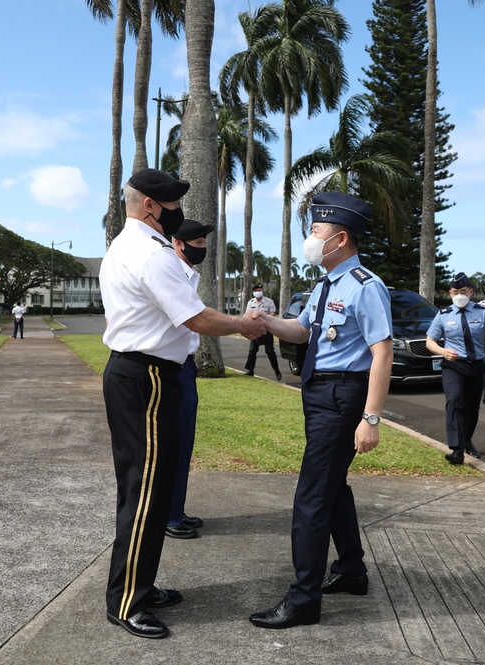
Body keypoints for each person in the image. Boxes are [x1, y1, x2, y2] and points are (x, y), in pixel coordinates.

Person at [99, 168, 266, 640]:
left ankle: (140, 585)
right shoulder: (153, 256)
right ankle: (126, 601)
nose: (179, 213)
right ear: (150, 206)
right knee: (146, 492)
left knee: (146, 489)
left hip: (139, 375)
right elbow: (195, 318)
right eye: (172, 205)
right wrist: (243, 323)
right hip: (148, 378)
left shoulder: (125, 245)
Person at [248, 192, 393, 629]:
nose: (310, 240)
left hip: (343, 398)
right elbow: (302, 331)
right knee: (333, 487)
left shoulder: (366, 286)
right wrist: (264, 322)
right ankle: (351, 569)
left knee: (311, 497)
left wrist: (371, 419)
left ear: (340, 238)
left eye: (316, 232)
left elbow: (382, 354)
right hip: (318, 395)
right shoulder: (325, 285)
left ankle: (304, 598)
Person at [164, 218, 213, 541]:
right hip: (174, 367)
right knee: (175, 443)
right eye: (196, 244)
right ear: (178, 244)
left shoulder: (187, 274)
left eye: (204, 243)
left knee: (185, 444)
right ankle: (168, 516)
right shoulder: (171, 274)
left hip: (187, 367)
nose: (202, 249)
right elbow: (196, 319)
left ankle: (176, 509)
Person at [426, 273, 485, 464]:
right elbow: (430, 341)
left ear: (471, 292)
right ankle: (456, 449)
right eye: (455, 292)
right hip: (453, 366)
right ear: (450, 293)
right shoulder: (443, 315)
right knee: (454, 400)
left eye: (463, 291)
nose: (459, 295)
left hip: (476, 365)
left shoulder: (483, 312)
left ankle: (466, 440)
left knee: (472, 409)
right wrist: (442, 351)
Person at [244, 283, 283, 381]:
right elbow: (248, 314)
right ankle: (250, 371)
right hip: (254, 330)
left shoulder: (269, 302)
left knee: (270, 351)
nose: (258, 292)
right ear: (253, 292)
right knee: (252, 351)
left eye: (260, 290)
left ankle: (277, 371)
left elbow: (273, 313)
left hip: (267, 330)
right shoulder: (251, 302)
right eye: (256, 290)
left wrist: (264, 316)